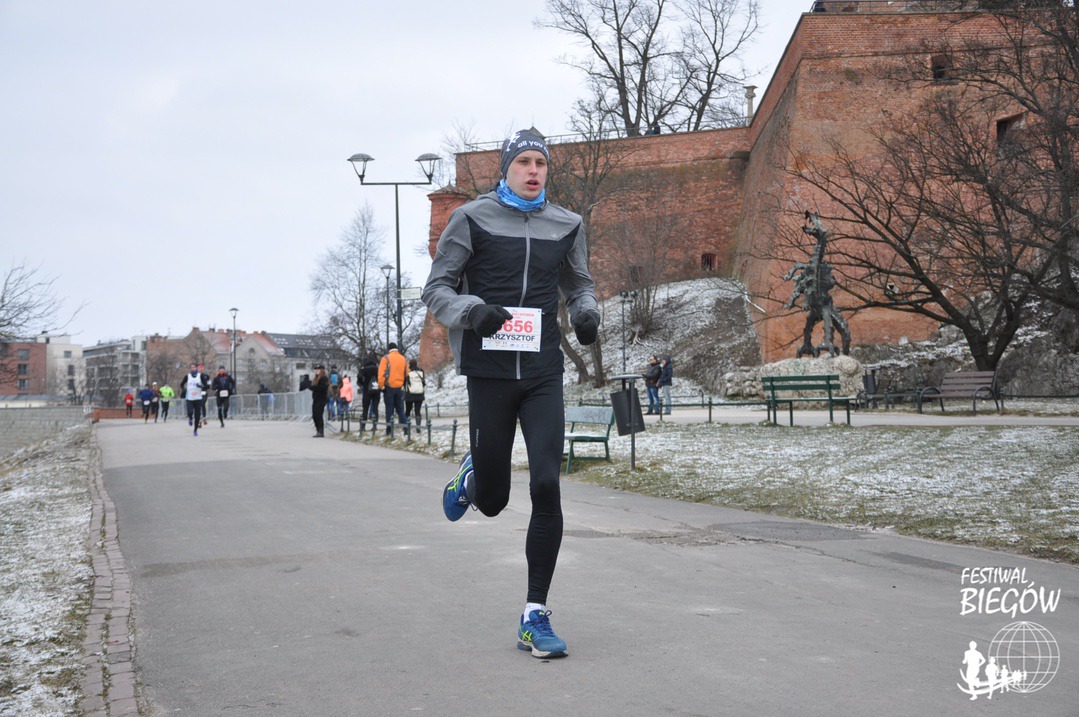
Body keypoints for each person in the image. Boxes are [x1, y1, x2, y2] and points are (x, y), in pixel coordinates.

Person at [423, 128, 599, 659]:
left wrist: (587, 313)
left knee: (547, 485)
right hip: (490, 370)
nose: (533, 171)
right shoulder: (470, 218)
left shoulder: (566, 224)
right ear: (506, 168)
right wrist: (472, 311)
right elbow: (437, 289)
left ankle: (534, 615)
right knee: (495, 501)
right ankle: (475, 474)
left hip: (543, 371)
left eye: (540, 163)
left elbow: (579, 284)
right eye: (523, 162)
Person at [377, 343, 408, 435]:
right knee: (400, 409)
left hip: (389, 387)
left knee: (389, 409)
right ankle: (406, 428)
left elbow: (382, 374)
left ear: (389, 349)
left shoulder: (386, 358)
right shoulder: (403, 358)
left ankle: (389, 430)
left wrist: (381, 386)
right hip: (399, 387)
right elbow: (407, 373)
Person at [181, 364, 208, 437]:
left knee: (197, 415)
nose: (192, 368)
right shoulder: (187, 376)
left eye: (194, 367)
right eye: (191, 367)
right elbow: (182, 384)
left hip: (198, 398)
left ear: (196, 368)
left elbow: (206, 386)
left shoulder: (200, 376)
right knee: (190, 412)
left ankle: (195, 430)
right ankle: (190, 418)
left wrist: (201, 386)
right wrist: (184, 389)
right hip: (189, 398)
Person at [308, 364, 330, 437]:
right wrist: (312, 387)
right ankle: (318, 430)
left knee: (318, 414)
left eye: (318, 369)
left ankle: (320, 431)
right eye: (316, 369)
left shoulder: (323, 378)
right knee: (314, 415)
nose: (316, 371)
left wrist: (314, 387)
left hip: (321, 399)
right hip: (316, 399)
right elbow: (313, 386)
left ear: (322, 370)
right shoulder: (316, 378)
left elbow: (323, 387)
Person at [359, 355, 381, 427]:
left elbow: (359, 378)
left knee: (365, 409)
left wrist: (363, 384)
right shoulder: (377, 369)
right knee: (375, 408)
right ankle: (375, 426)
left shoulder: (363, 369)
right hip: (376, 391)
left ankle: (363, 426)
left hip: (366, 391)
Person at [404, 358, 426, 428]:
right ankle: (418, 427)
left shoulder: (408, 372)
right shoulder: (421, 371)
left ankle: (406, 426)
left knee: (408, 411)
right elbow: (423, 382)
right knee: (417, 411)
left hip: (410, 394)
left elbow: (405, 382)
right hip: (419, 394)